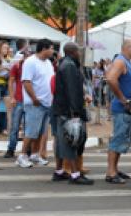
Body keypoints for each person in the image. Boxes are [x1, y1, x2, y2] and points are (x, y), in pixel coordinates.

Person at [51, 42, 93, 185]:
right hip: (68, 110)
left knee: (61, 141)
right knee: (71, 140)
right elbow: (72, 91)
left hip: (61, 108)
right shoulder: (69, 66)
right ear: (73, 52)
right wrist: (75, 111)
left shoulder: (64, 64)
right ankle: (75, 174)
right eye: (78, 51)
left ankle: (59, 171)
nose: (79, 54)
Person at [104, 39, 131, 184]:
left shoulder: (127, 62)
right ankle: (111, 172)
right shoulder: (120, 61)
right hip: (122, 108)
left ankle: (115, 169)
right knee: (118, 139)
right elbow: (111, 79)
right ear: (127, 48)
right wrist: (122, 98)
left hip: (129, 109)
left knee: (122, 140)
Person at [16, 39, 55, 168]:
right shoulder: (31, 62)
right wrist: (34, 98)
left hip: (47, 102)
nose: (53, 51)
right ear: (44, 49)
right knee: (31, 131)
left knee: (40, 132)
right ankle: (22, 156)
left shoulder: (48, 63)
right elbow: (26, 82)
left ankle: (35, 154)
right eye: (51, 48)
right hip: (35, 103)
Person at [4, 42, 30, 158]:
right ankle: (11, 148)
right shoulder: (17, 66)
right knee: (15, 126)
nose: (26, 57)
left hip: (29, 100)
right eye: (25, 55)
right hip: (19, 99)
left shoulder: (32, 67)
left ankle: (27, 149)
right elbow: (11, 81)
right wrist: (12, 97)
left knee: (27, 127)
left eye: (28, 55)